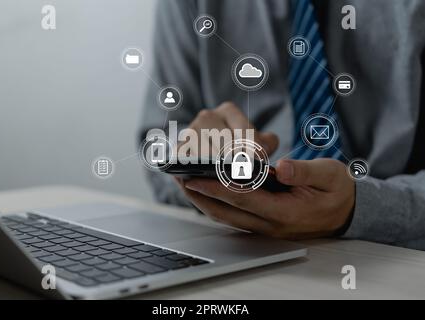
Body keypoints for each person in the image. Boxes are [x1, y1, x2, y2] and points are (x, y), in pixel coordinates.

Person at [139, 0, 425, 250]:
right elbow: (157, 141)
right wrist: (193, 159)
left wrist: (362, 207)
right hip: (239, 246)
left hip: (394, 257)